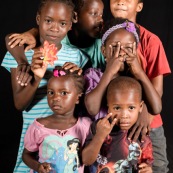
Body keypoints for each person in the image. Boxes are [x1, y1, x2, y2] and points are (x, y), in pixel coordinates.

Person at [1, 0, 88, 172]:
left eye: (62, 23)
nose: (54, 28)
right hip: (31, 148)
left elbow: (81, 98)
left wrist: (79, 77)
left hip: (65, 147)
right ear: (38, 19)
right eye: (48, 21)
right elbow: (20, 104)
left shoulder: (76, 57)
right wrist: (37, 76)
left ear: (70, 25)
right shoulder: (22, 55)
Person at [108, 0, 171, 172]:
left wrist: (145, 115)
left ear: (140, 6)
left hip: (148, 121)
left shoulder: (150, 40)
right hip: (116, 122)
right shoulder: (105, 36)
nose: (120, 2)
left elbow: (158, 88)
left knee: (156, 166)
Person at [22, 66, 91, 173]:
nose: (56, 98)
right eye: (51, 92)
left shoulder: (85, 125)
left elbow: (89, 158)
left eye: (63, 93)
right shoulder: (39, 126)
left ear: (77, 97)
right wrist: (38, 166)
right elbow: (26, 155)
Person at [82, 76, 154, 173]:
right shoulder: (100, 126)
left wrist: (148, 170)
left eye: (131, 108)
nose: (124, 115)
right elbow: (86, 160)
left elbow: (146, 165)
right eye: (117, 108)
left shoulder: (141, 133)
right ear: (108, 107)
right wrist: (100, 136)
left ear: (140, 107)